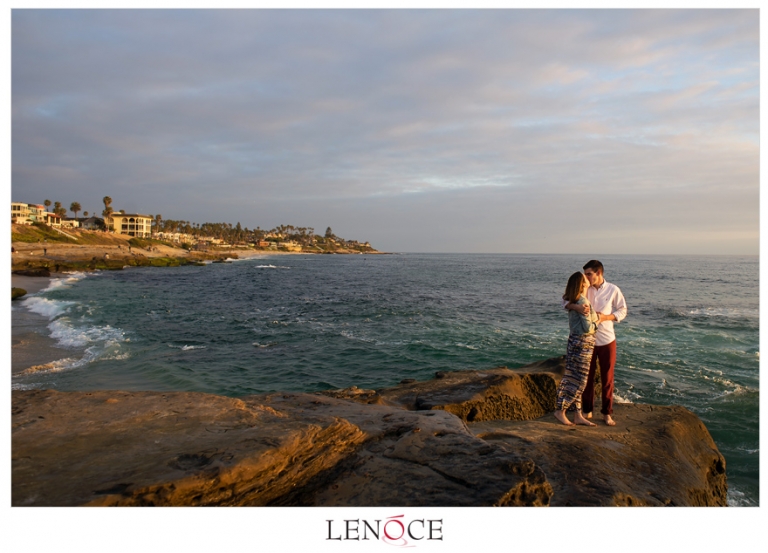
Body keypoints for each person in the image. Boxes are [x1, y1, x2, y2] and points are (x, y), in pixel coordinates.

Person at [564, 260, 627, 426]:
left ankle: (607, 413)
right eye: (585, 274)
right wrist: (577, 308)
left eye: (589, 274)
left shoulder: (613, 289)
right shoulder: (584, 287)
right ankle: (587, 410)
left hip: (607, 340)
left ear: (599, 273)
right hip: (587, 341)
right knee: (586, 378)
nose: (586, 277)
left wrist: (605, 317)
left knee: (607, 378)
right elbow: (565, 301)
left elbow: (622, 310)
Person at [554, 272, 604, 426]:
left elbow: (565, 302)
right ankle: (560, 410)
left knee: (573, 376)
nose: (588, 279)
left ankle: (577, 414)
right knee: (580, 380)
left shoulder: (574, 300)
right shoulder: (582, 301)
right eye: (585, 278)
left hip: (575, 341)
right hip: (583, 343)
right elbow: (588, 327)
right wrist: (598, 321)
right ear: (582, 284)